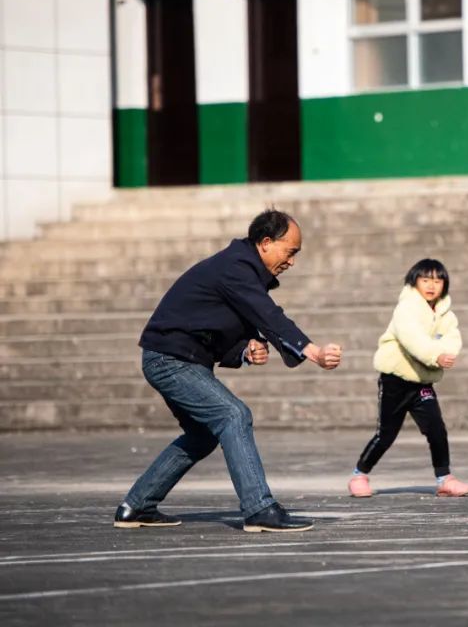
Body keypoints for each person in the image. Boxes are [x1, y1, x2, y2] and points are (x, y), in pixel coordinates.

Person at [114, 209, 343, 533]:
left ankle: (136, 506)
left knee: (203, 435)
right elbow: (268, 315)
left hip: (178, 357)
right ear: (265, 242)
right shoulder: (237, 266)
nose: (291, 262)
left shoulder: (239, 270)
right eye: (290, 251)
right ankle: (259, 509)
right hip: (170, 359)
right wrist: (312, 350)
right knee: (234, 415)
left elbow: (219, 324)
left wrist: (246, 350)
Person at [348, 259, 468, 498]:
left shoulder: (445, 313)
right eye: (425, 280)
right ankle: (359, 475)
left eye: (437, 280)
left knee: (437, 429)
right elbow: (411, 338)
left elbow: (452, 337)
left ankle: (444, 478)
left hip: (422, 383)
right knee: (386, 434)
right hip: (396, 380)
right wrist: (436, 355)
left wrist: (448, 353)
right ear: (414, 282)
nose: (431, 286)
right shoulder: (406, 308)